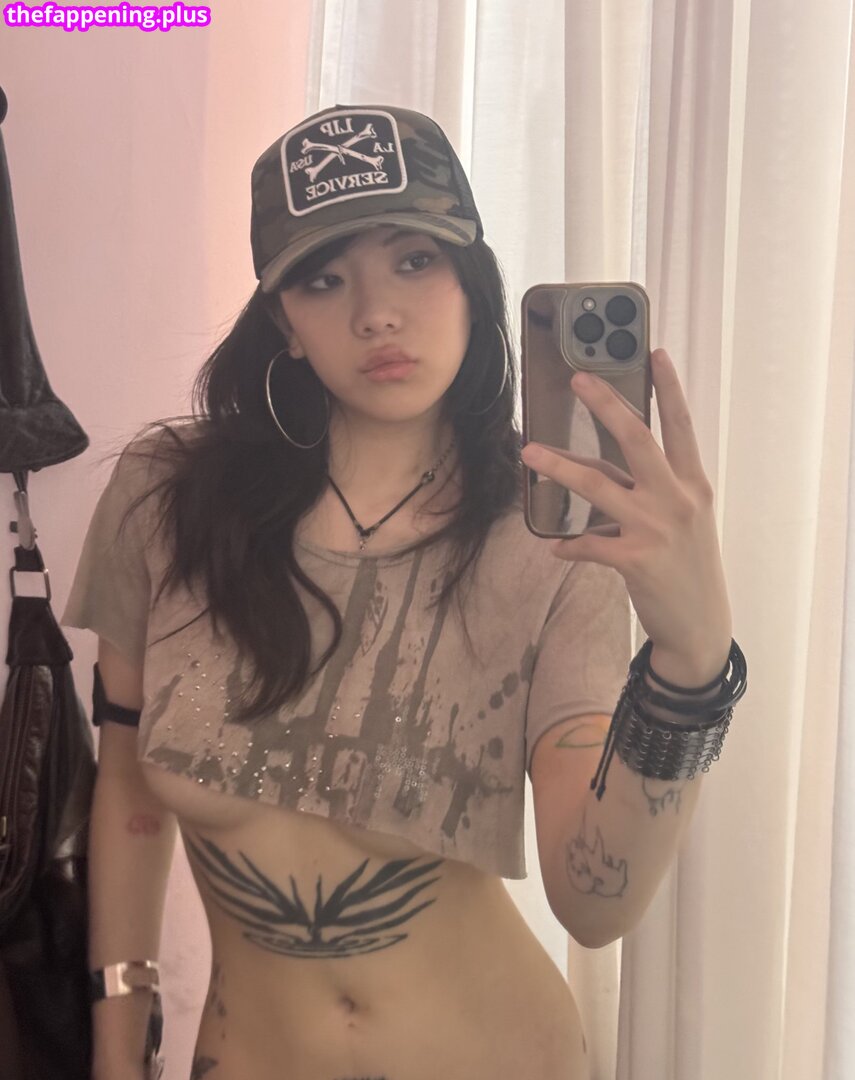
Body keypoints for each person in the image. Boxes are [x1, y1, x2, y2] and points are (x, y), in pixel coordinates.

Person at [62, 104, 747, 1080]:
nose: (376, 313)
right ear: (283, 322)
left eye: (415, 260)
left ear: (472, 282)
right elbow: (130, 784)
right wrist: (117, 1045)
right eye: (323, 278)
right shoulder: (168, 501)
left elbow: (595, 905)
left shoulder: (545, 536)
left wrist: (690, 663)